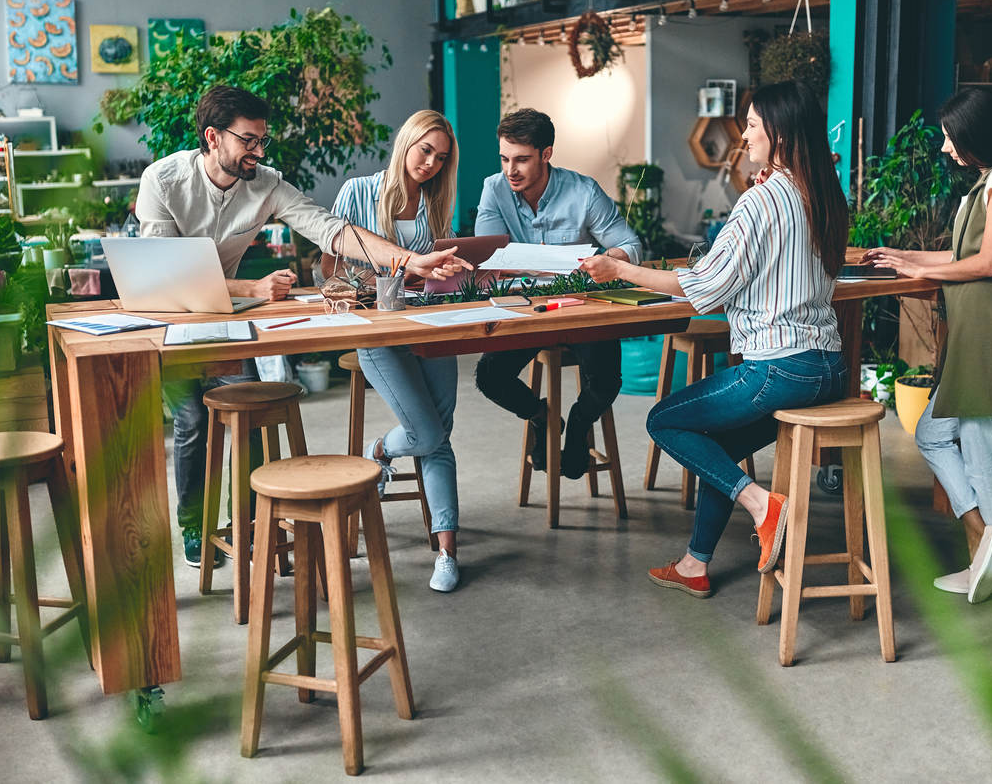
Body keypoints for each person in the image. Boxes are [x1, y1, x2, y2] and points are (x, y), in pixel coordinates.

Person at [136, 85, 470, 567]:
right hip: (173, 316)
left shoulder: (266, 183)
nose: (258, 150)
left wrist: (410, 261)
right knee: (191, 420)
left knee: (246, 413)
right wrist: (250, 290)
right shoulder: (163, 180)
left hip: (226, 318)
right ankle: (196, 528)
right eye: (248, 140)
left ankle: (247, 523)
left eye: (262, 140)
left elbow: (332, 230)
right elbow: (167, 272)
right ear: (213, 137)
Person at [579, 81, 849, 598]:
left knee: (664, 420)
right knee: (717, 448)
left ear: (781, 133)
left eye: (751, 125)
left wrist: (617, 269)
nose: (744, 136)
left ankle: (762, 506)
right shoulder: (825, 193)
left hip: (779, 369)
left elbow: (701, 288)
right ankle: (694, 564)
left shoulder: (762, 201)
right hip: (829, 370)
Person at [866, 88, 992, 604]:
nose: (945, 148)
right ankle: (982, 540)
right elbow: (964, 253)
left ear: (976, 137)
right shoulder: (987, 183)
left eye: (950, 138)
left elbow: (988, 264)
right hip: (975, 331)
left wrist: (920, 268)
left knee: (980, 440)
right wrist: (906, 255)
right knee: (934, 434)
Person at [330, 110, 464, 591]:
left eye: (441, 157)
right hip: (378, 332)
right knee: (428, 433)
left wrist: (453, 273)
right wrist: (408, 273)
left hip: (431, 327)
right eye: (425, 150)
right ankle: (381, 450)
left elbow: (437, 275)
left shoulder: (434, 203)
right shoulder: (357, 192)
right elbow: (332, 276)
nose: (430, 163)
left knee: (438, 435)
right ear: (406, 140)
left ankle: (447, 551)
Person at [473, 108, 641, 479]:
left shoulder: (582, 191)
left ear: (546, 154)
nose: (510, 170)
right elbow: (489, 257)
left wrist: (605, 260)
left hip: (580, 307)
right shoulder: (494, 189)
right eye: (504, 159)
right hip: (527, 312)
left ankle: (579, 424)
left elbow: (630, 244)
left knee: (607, 381)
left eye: (521, 159)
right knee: (489, 376)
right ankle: (542, 416)